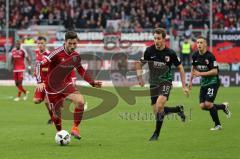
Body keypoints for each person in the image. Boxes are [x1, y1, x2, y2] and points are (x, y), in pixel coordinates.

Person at [36, 31, 102, 139]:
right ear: (65, 42)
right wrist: (39, 81)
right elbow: (39, 64)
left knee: (80, 102)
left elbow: (81, 70)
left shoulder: (76, 56)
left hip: (66, 85)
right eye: (70, 43)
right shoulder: (56, 53)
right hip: (52, 87)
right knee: (57, 116)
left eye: (74, 44)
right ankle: (60, 133)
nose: (72, 46)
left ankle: (75, 128)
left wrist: (92, 82)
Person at [136, 28, 189, 141]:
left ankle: (156, 134)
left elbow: (180, 68)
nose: (156, 41)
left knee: (160, 105)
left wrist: (184, 86)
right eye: (155, 38)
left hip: (166, 82)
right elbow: (138, 64)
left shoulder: (170, 53)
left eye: (159, 38)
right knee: (157, 111)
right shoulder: (149, 51)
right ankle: (177, 110)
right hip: (153, 83)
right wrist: (140, 78)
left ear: (164, 39)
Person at [189, 36, 231, 131]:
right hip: (204, 82)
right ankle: (223, 106)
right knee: (202, 106)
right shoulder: (195, 55)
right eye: (198, 42)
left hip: (213, 81)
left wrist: (200, 73)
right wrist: (190, 81)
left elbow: (215, 71)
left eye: (201, 42)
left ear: (205, 44)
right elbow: (193, 68)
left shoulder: (210, 56)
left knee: (208, 103)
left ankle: (218, 125)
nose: (199, 44)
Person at [33, 36, 53, 124]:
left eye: (42, 43)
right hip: (40, 82)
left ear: (45, 44)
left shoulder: (49, 54)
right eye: (39, 43)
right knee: (36, 101)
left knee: (47, 101)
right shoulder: (37, 53)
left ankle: (53, 118)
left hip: (48, 81)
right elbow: (37, 66)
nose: (40, 45)